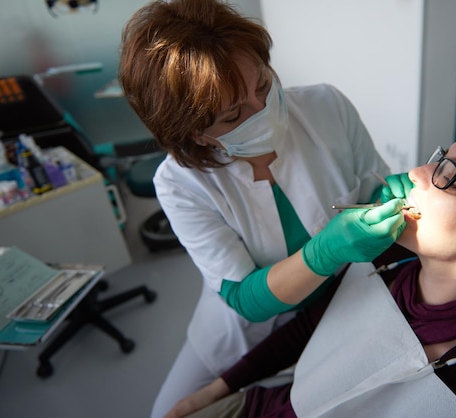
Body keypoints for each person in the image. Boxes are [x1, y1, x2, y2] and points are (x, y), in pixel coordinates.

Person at [166, 113, 456, 417]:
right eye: (439, 157)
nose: (416, 172)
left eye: (449, 176)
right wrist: (215, 391)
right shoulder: (388, 262)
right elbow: (308, 328)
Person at [118, 1, 409, 416]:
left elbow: (375, 186)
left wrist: (388, 200)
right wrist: (326, 251)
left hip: (346, 304)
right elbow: (245, 297)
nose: (264, 111)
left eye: (263, 85)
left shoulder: (326, 107)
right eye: (233, 114)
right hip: (247, 333)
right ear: (196, 135)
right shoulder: (179, 183)